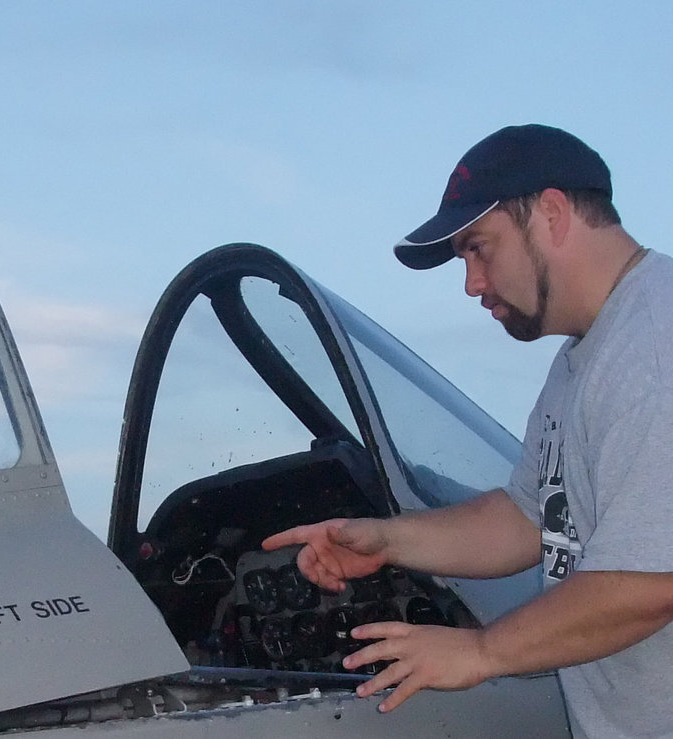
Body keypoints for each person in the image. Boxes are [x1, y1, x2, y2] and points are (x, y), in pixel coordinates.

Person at [262, 124, 673, 738]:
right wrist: (385, 540)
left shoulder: (655, 349)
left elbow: (652, 582)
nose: (472, 283)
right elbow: (529, 518)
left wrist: (480, 652)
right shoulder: (584, 361)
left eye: (479, 248)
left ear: (552, 214)